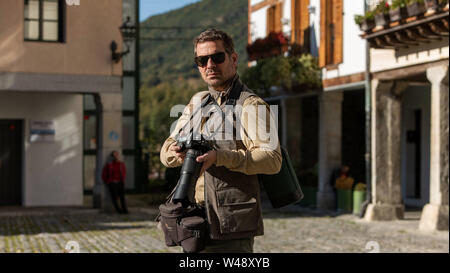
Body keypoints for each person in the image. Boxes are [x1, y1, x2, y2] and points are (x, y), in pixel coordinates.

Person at [160, 29, 282, 253]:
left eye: (217, 57)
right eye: (202, 60)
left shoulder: (251, 105)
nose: (209, 65)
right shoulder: (198, 101)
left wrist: (220, 157)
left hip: (231, 226)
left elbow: (272, 160)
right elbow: (166, 151)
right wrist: (178, 152)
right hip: (193, 221)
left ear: (233, 59)